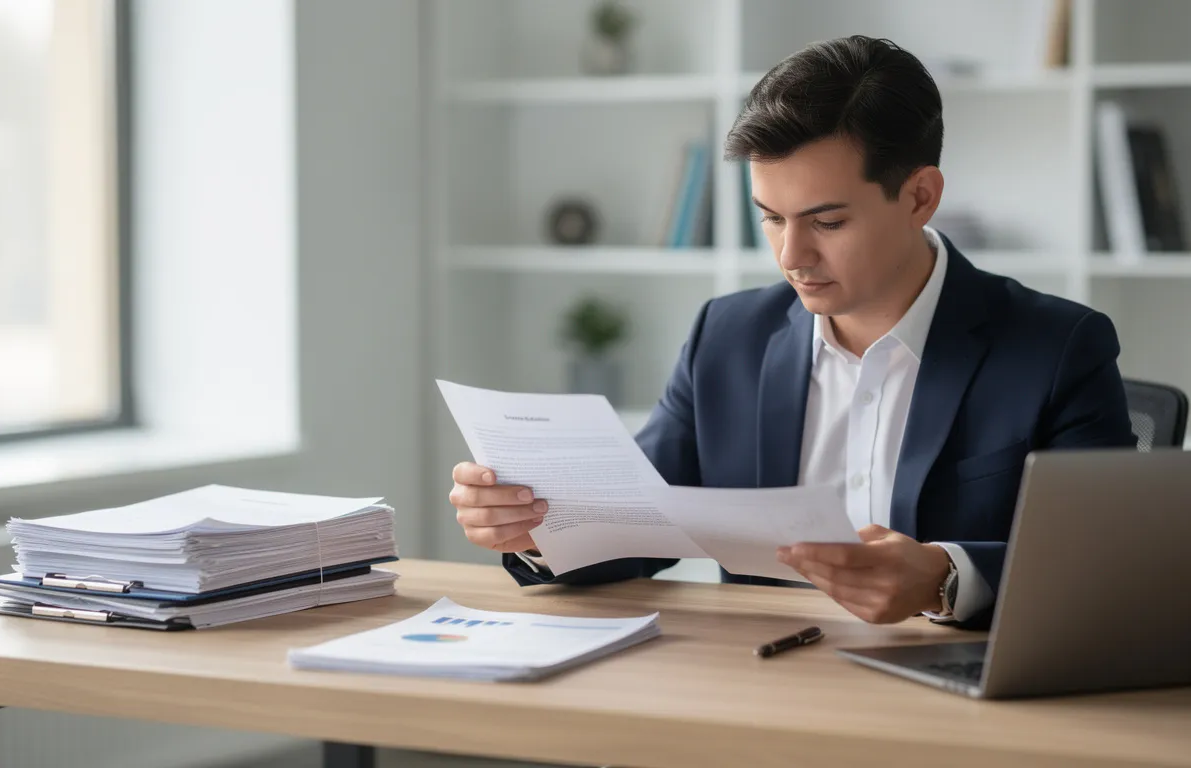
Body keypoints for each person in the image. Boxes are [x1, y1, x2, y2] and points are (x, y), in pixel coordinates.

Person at [448, 36, 1136, 629]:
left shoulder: (1057, 347)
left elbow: (1106, 563)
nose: (790, 256)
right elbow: (638, 522)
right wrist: (540, 529)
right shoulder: (727, 335)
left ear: (921, 196)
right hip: (762, 688)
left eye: (827, 222)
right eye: (771, 217)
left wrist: (943, 575)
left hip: (957, 703)